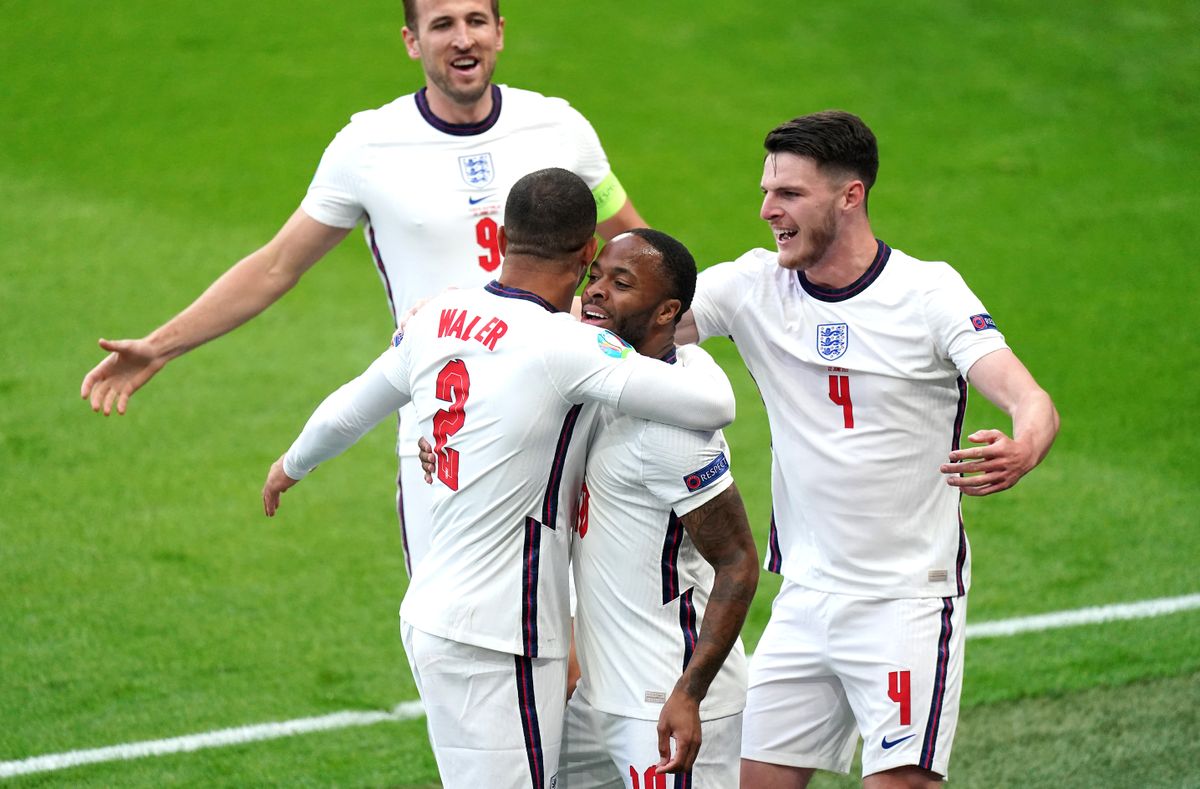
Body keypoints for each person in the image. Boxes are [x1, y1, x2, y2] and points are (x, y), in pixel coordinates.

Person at [80, 0, 646, 575]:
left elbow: (637, 249)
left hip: (567, 417)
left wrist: (683, 333)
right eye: (442, 25)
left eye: (476, 21)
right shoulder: (368, 147)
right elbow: (277, 266)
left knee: (582, 640)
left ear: (499, 32)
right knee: (450, 631)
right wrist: (161, 345)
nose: (462, 39)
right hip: (443, 430)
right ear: (411, 40)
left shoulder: (558, 128)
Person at [261, 169, 734, 789]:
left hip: (439, 609)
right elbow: (712, 405)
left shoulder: (441, 314)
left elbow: (351, 408)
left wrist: (289, 466)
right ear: (589, 251)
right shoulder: (566, 345)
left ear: (503, 236)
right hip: (500, 631)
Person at [677, 111, 1060, 788]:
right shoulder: (752, 286)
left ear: (849, 196)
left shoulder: (927, 293)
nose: (767, 210)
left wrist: (1025, 443)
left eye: (789, 194)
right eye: (767, 191)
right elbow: (638, 322)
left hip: (906, 604)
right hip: (803, 598)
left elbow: (1030, 398)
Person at [560, 229, 761, 788]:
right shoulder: (607, 379)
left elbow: (739, 562)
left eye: (620, 283)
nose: (595, 292)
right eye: (595, 275)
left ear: (667, 310)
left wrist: (689, 695)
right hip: (597, 695)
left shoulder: (673, 435)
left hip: (663, 704)